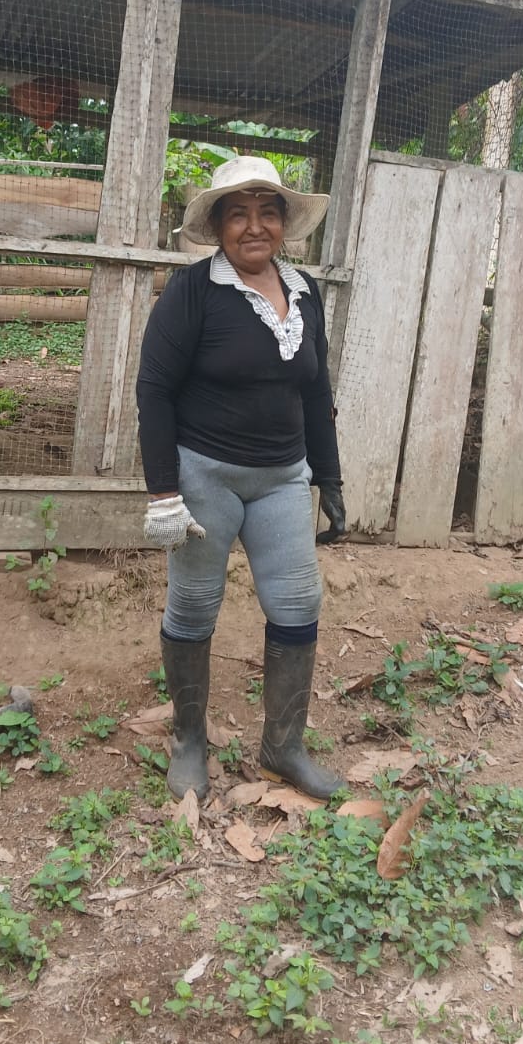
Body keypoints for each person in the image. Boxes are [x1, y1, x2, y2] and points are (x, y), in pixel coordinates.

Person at [136, 156, 348, 804]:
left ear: (284, 222)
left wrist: (330, 476)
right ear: (219, 225)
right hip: (206, 476)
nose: (254, 227)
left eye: (267, 212)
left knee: (298, 604)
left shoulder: (304, 292)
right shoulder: (193, 292)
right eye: (238, 214)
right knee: (194, 605)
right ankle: (189, 742)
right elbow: (154, 390)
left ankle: (283, 747)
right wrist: (163, 491)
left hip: (282, 478)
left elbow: (316, 391)